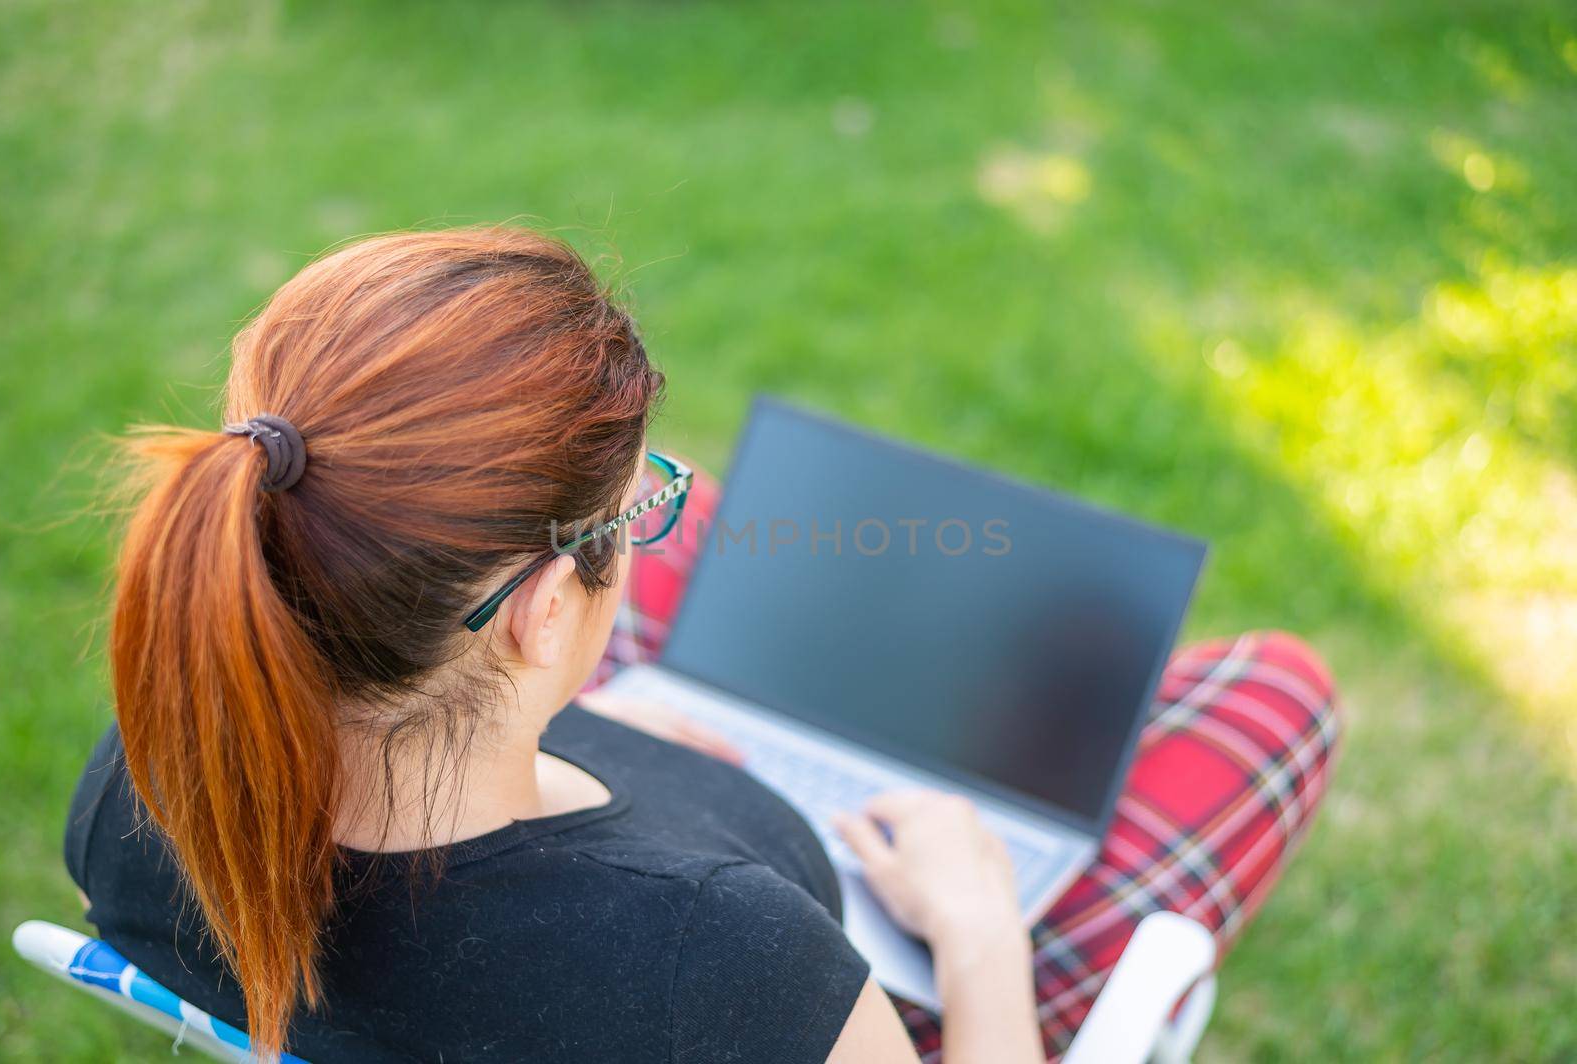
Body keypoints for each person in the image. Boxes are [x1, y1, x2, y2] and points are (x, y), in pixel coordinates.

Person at [65, 227, 1340, 1063]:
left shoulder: (146, 775)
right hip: (890, 985)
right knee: (1276, 691)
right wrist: (975, 932)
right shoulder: (721, 959)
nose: (642, 523)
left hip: (576, 777)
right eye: (632, 510)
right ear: (542, 612)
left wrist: (595, 730)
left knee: (718, 521)